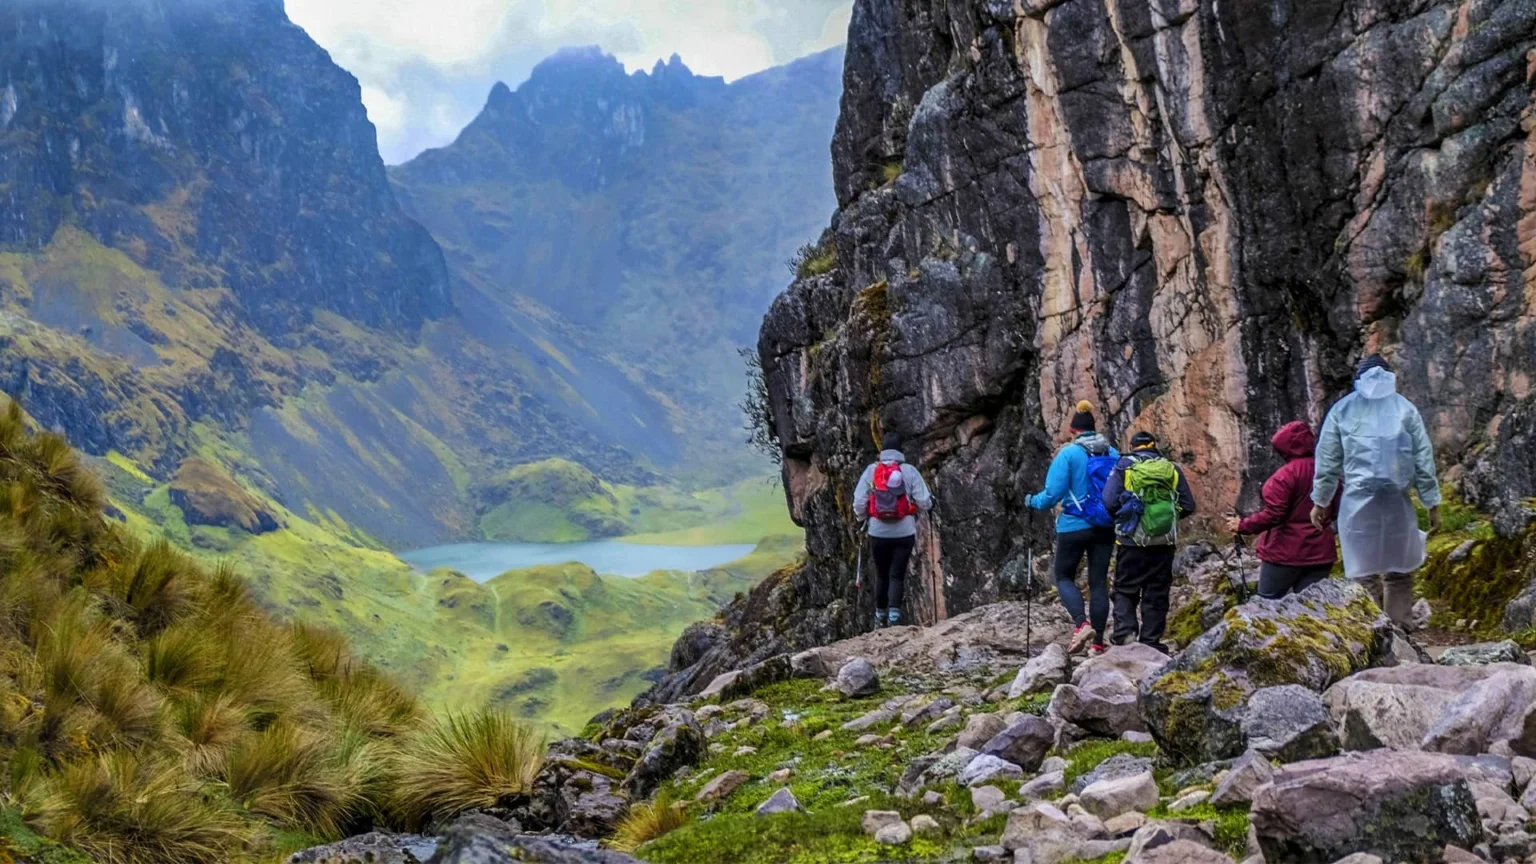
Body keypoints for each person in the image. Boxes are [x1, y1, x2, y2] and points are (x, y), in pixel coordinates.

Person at [1310, 355, 1440, 627]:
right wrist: (1432, 502)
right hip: (1397, 501)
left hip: (1358, 502)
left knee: (1364, 570)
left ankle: (1372, 632)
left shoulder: (1342, 410)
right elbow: (1423, 460)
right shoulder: (1405, 409)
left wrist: (1320, 501)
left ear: (1359, 379)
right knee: (1400, 569)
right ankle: (1401, 626)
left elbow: (1328, 461)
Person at [1026, 400, 1119, 655]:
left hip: (1074, 526)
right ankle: (1099, 643)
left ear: (1073, 430)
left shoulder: (1068, 454)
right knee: (1099, 582)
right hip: (1105, 525)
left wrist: (1031, 501)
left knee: (1064, 576)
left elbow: (1051, 495)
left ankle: (1081, 624)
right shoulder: (1112, 453)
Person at [1102, 431, 1197, 653]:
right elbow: (1188, 504)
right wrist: (1165, 521)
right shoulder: (1171, 468)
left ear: (1133, 446)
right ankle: (1151, 641)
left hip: (1131, 541)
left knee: (1125, 589)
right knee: (1157, 591)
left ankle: (1125, 633)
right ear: (1154, 446)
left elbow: (1108, 501)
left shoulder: (1124, 466)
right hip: (1164, 543)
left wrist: (1129, 519)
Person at [1223, 421, 1339, 599]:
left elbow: (1274, 514)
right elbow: (1337, 509)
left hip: (1285, 554)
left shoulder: (1284, 476)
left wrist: (1243, 525)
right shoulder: (1328, 473)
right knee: (1312, 608)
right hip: (1320, 553)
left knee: (1267, 603)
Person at [852, 432, 934, 628]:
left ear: (882, 452)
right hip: (904, 533)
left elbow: (858, 501)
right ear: (900, 452)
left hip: (878, 532)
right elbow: (923, 501)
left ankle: (879, 617)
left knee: (881, 574)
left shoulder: (872, 470)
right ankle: (894, 618)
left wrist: (863, 518)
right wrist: (930, 506)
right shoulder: (910, 471)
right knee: (896, 574)